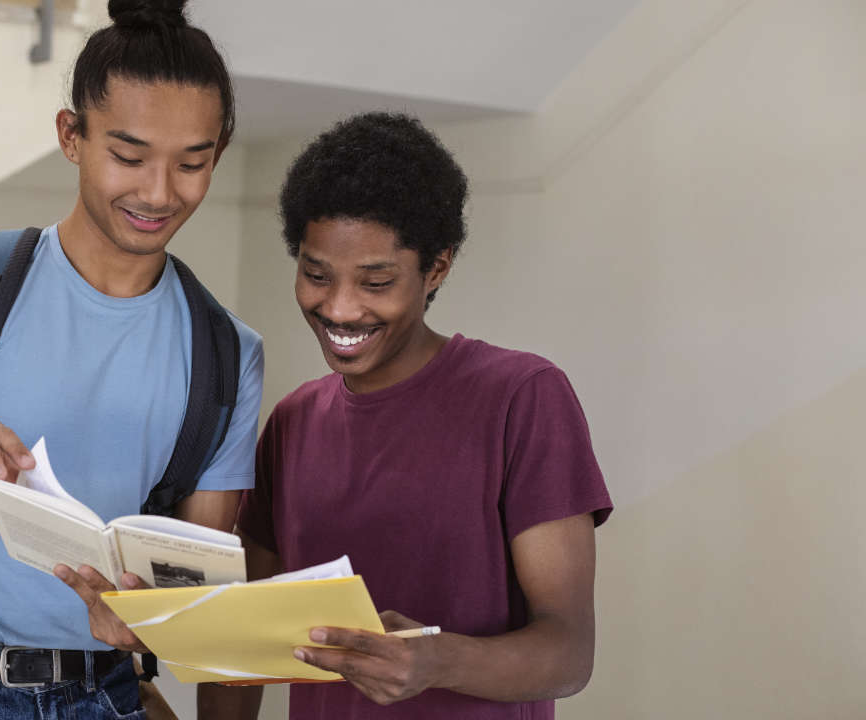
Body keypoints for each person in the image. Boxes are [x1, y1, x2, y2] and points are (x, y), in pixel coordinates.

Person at [69, 112, 613, 719]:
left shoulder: (522, 397)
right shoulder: (294, 422)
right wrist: (155, 619)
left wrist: (438, 661)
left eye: (376, 281)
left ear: (436, 268)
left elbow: (569, 652)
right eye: (316, 274)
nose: (341, 308)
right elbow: (241, 645)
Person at [0, 1, 263, 717]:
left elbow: (200, 588)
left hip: (105, 694)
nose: (159, 193)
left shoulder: (227, 353)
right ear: (71, 135)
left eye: (193, 164)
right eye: (129, 156)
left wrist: (154, 620)